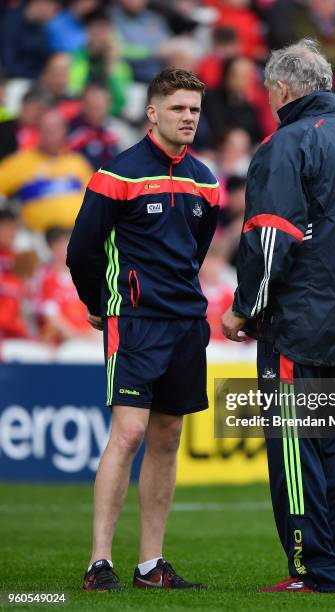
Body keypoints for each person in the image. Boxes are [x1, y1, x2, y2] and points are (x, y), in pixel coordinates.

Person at [221, 38, 335, 593]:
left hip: (295, 323)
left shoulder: (285, 145)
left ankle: (311, 570)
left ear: (283, 89)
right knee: (322, 449)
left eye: (269, 89)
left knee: (293, 449)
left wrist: (246, 309)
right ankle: (331, 561)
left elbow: (271, 236)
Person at [67, 68, 220, 592]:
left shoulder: (206, 180)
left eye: (195, 110)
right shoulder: (117, 173)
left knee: (167, 436)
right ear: (152, 112)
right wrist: (99, 303)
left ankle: (151, 565)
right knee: (128, 433)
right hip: (133, 321)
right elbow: (81, 251)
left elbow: (196, 251)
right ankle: (99, 562)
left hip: (185, 324)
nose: (188, 118)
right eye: (178, 108)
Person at [0, 108, 93, 232]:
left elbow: (95, 200)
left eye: (55, 128)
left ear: (64, 131)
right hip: (36, 239)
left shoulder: (77, 162)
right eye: (46, 129)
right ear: (37, 131)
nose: (51, 133)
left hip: (78, 236)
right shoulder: (19, 162)